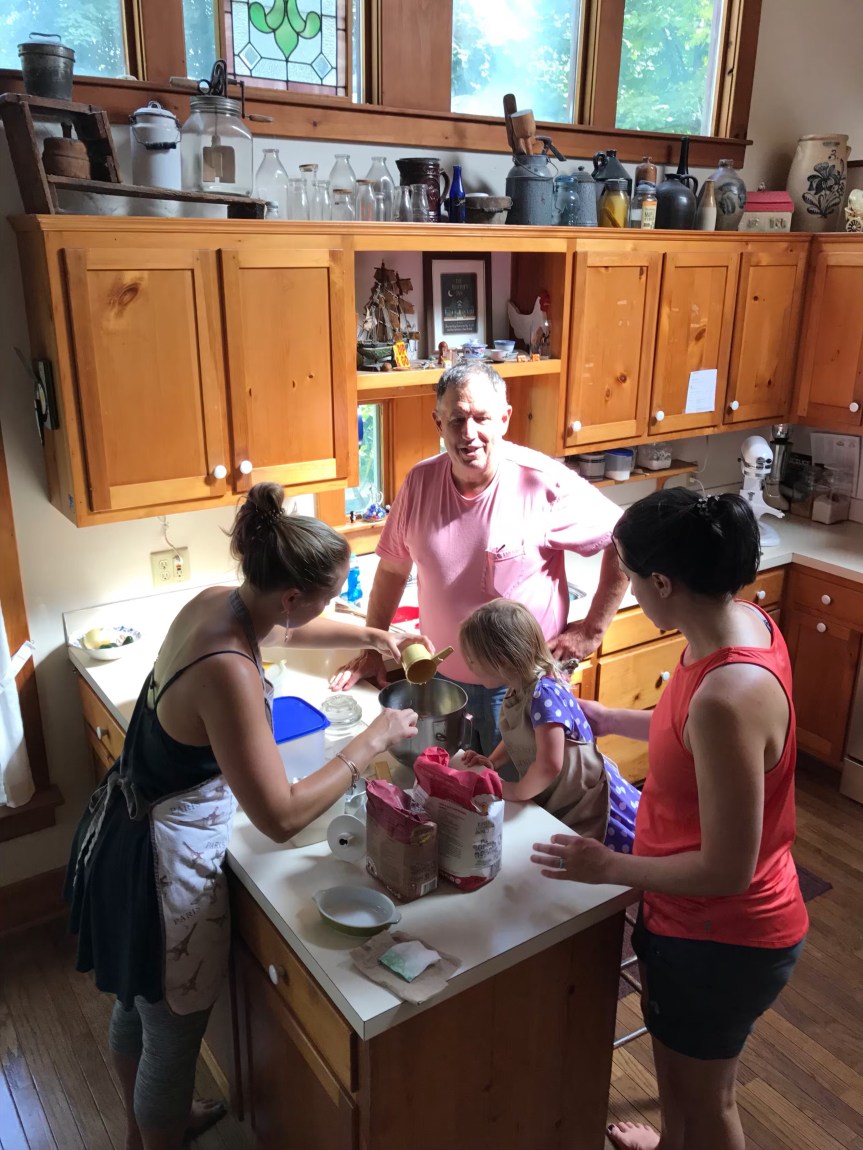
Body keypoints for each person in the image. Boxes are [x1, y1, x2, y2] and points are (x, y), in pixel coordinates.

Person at [65, 483, 419, 1150]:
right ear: (291, 596)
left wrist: (375, 634)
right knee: (172, 1035)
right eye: (328, 598)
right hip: (160, 867)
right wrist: (371, 741)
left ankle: (142, 1132)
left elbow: (294, 628)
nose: (327, 611)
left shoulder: (218, 602)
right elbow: (280, 817)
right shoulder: (228, 670)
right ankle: (157, 1133)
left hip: (123, 829)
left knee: (138, 1005)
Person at [530, 488, 808, 1150]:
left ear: (662, 582)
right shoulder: (738, 623)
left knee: (708, 1103)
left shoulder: (727, 697)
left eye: (628, 575)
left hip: (723, 936)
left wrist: (609, 866)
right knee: (680, 1086)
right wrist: (609, 718)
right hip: (688, 920)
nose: (626, 589)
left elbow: (728, 869)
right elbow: (684, 732)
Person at [331, 360, 629, 754]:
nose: (468, 433)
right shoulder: (419, 483)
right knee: (452, 785)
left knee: (524, 788)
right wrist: (372, 649)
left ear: (504, 419)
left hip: (522, 687)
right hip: (439, 681)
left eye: (481, 418)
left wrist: (592, 630)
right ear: (438, 423)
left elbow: (627, 537)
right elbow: (391, 571)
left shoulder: (540, 481)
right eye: (456, 420)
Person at [458, 598, 639, 848]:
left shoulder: (543, 696)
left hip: (587, 802)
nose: (468, 665)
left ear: (502, 661)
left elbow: (549, 765)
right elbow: (518, 737)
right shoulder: (517, 688)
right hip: (560, 797)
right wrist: (493, 761)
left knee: (606, 862)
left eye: (472, 659)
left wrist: (516, 791)